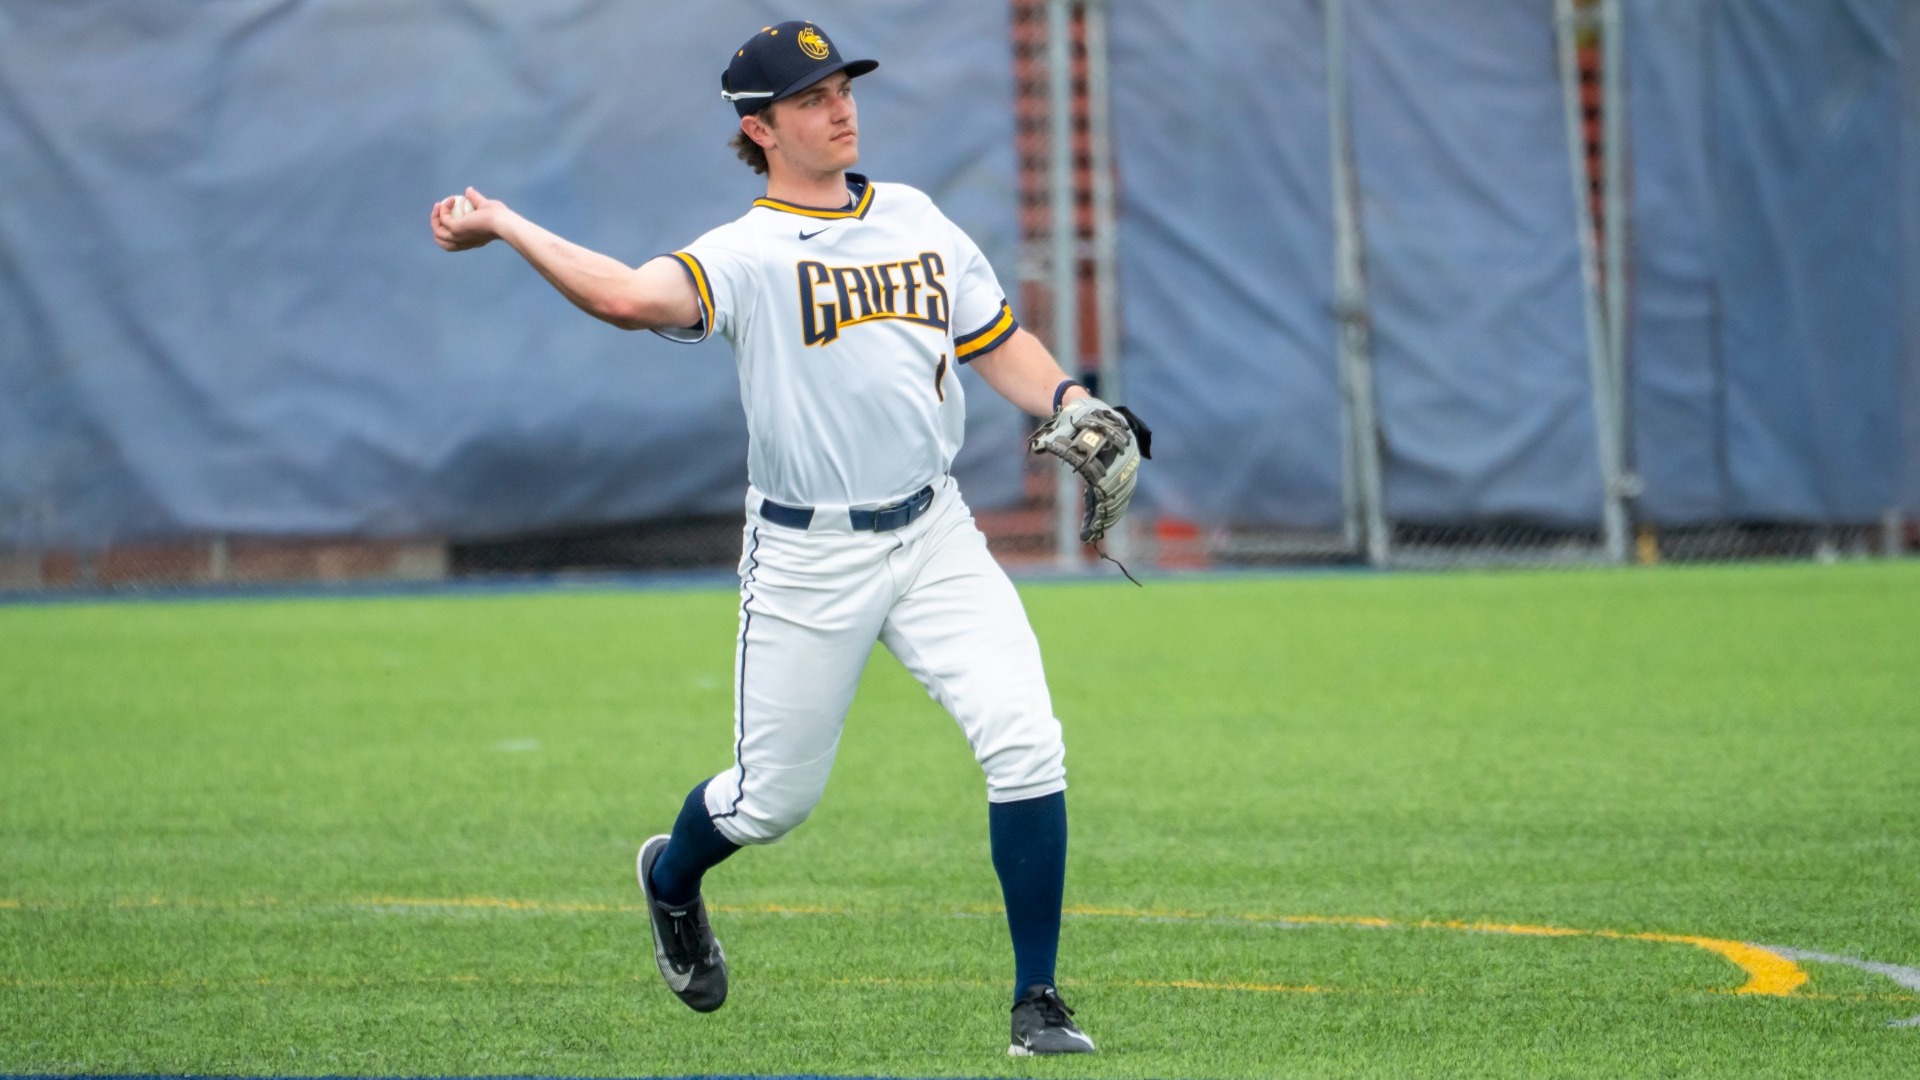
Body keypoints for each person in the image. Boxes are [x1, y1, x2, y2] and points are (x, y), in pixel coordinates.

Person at [431, 20, 1110, 1056]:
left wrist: (1068, 396)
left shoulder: (919, 220)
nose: (838, 107)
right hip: (808, 557)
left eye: (842, 87)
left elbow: (996, 342)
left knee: (1026, 742)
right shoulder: (746, 254)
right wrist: (509, 225)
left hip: (936, 535)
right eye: (810, 98)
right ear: (761, 129)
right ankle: (671, 875)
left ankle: (1038, 1003)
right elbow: (624, 296)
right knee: (768, 800)